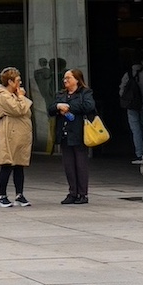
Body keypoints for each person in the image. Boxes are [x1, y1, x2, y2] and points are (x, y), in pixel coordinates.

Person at [49, 69, 97, 205]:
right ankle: (72, 192)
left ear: (76, 79)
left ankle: (83, 194)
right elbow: (51, 109)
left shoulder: (85, 93)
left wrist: (68, 107)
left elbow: (89, 106)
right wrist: (59, 106)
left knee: (81, 164)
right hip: (64, 133)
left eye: (68, 78)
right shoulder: (61, 94)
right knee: (68, 165)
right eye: (64, 78)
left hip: (79, 132)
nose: (65, 81)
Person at [0, 67, 33, 208]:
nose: (20, 84)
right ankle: (2, 196)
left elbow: (26, 111)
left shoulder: (13, 95)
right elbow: (19, 109)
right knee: (7, 164)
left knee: (19, 165)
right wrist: (21, 97)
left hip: (19, 135)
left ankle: (19, 195)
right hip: (8, 135)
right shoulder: (3, 96)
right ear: (10, 81)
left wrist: (19, 96)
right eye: (17, 81)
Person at [120, 58, 143, 162]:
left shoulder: (128, 74)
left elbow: (122, 90)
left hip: (132, 106)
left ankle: (139, 153)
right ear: (142, 62)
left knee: (136, 130)